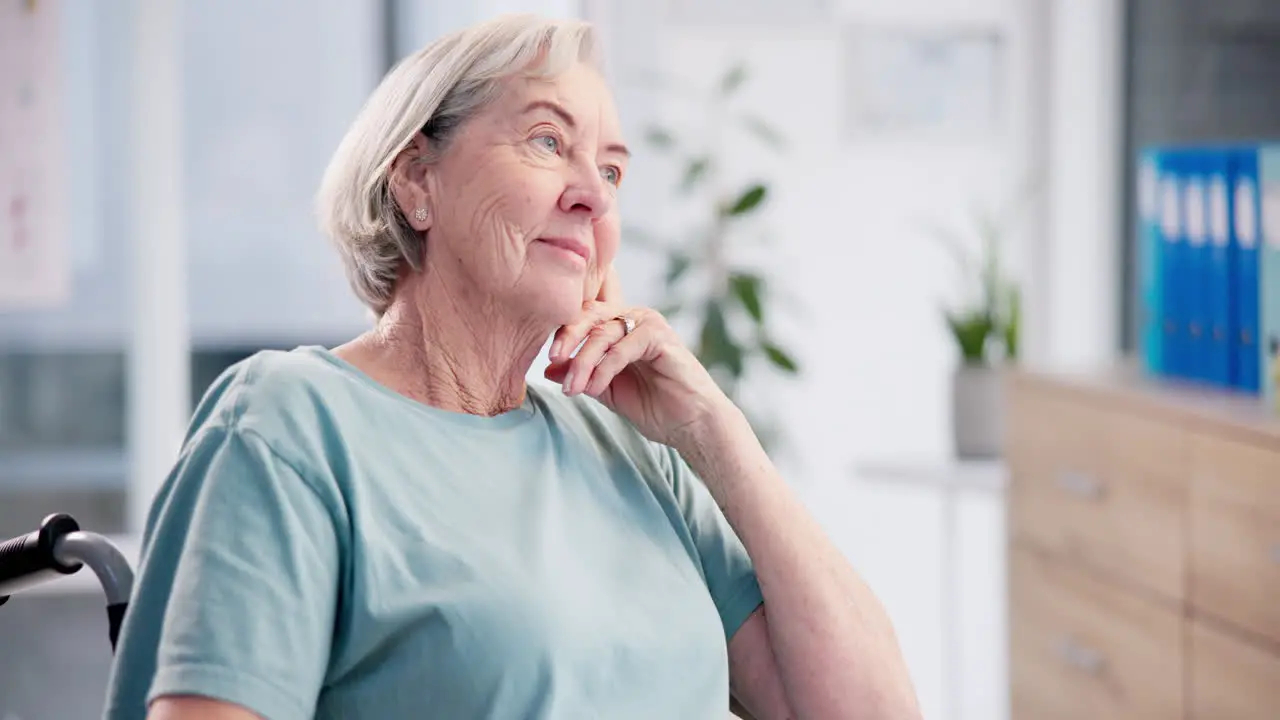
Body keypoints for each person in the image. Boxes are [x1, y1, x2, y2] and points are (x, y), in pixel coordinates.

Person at [104, 13, 920, 720]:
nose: (594, 197)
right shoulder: (293, 425)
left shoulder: (635, 454)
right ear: (418, 180)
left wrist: (716, 432)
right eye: (547, 141)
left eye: (611, 170)